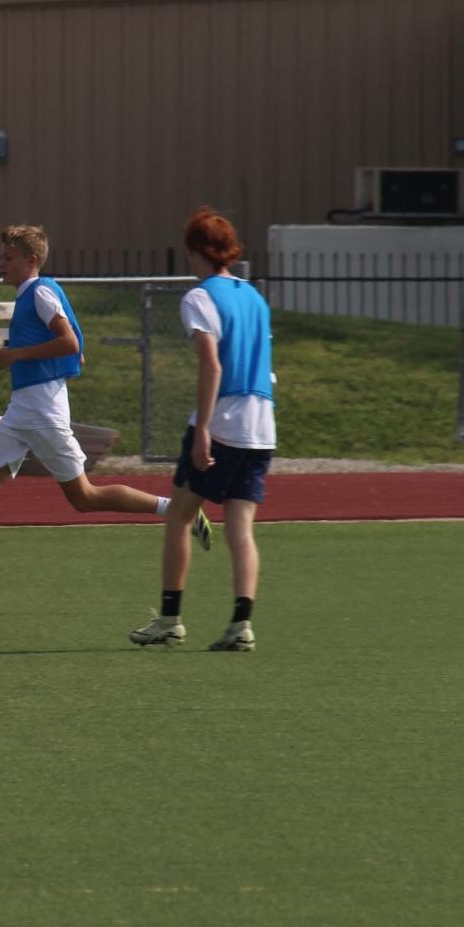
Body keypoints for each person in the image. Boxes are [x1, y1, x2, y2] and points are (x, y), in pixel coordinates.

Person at [0, 224, 210, 603]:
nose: (0, 264)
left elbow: (68, 339)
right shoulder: (34, 294)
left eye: (8, 258)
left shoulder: (39, 290)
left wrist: (14, 355)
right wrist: (65, 352)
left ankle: (176, 510)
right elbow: (73, 342)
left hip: (42, 411)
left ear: (31, 260)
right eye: (1, 256)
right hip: (22, 410)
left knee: (85, 497)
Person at [129, 206, 275, 652]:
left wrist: (204, 430)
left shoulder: (199, 297)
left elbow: (212, 364)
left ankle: (171, 619)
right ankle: (241, 625)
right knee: (240, 526)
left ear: (195, 252)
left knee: (179, 514)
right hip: (262, 425)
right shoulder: (254, 297)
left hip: (224, 423)